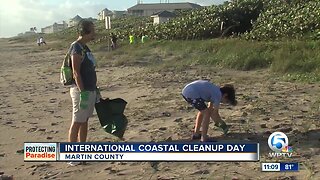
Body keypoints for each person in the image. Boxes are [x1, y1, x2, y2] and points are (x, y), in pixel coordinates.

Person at [67, 20, 99, 166]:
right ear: (85, 32)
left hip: (90, 89)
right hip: (81, 91)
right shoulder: (76, 47)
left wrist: (95, 90)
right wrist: (83, 92)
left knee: (84, 121)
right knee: (77, 121)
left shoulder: (86, 48)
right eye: (92, 30)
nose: (94, 33)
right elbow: (76, 72)